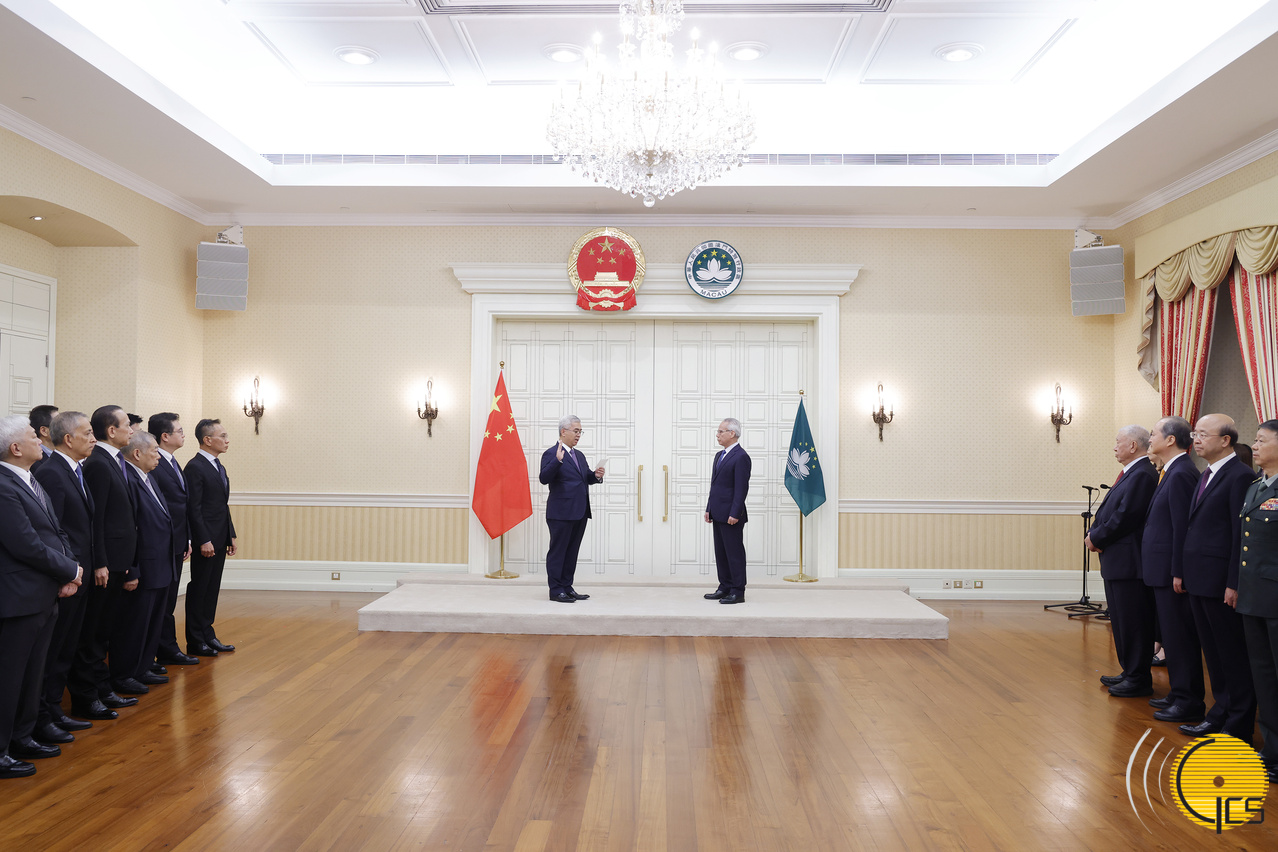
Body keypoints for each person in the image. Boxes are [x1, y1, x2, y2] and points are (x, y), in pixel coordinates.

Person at [0, 415, 81, 778]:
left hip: (44, 592)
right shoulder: (3, 485)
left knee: (33, 673)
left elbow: (56, 531)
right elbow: (25, 544)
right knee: (10, 676)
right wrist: (70, 570)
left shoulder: (30, 479)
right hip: (19, 597)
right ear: (16, 448)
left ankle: (23, 736)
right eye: (34, 436)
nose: (41, 441)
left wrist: (69, 569)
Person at [1177, 413, 1257, 739]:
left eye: (1203, 434)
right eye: (1194, 433)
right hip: (1200, 578)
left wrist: (1233, 582)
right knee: (1213, 654)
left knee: (1231, 655)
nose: (1195, 439)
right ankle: (1219, 714)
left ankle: (1238, 724)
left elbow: (1240, 535)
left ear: (1225, 440)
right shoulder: (1206, 473)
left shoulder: (1240, 476)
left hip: (1220, 581)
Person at [69, 405, 139, 720]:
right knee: (93, 634)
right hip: (105, 565)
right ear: (112, 431)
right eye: (127, 425)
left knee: (104, 631)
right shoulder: (98, 464)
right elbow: (95, 520)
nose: (131, 430)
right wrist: (100, 562)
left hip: (117, 562)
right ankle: (87, 696)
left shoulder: (114, 461)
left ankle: (102, 687)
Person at [32, 411, 97, 744]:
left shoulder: (75, 469)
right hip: (66, 577)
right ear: (68, 439)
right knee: (53, 651)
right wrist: (66, 572)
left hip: (79, 574)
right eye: (87, 433)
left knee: (66, 649)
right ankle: (42, 716)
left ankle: (55, 709)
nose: (94, 438)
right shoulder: (52, 472)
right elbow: (51, 532)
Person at [1142, 416, 1207, 725]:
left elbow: (1183, 528)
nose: (1150, 438)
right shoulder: (1171, 470)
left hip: (1172, 573)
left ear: (1170, 440)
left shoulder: (1181, 473)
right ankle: (1178, 693)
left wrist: (1178, 570)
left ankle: (1188, 700)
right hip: (1162, 570)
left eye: (1154, 433)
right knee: (1171, 635)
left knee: (1180, 638)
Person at [1086, 426, 1157, 696]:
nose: (1115, 447)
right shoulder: (1132, 473)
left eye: (1118, 442)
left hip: (1130, 563)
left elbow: (1126, 516)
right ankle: (1129, 671)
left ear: (1133, 446)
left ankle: (1138, 677)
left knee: (1133, 622)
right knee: (1121, 621)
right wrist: (1094, 533)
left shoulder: (1143, 474)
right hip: (1118, 560)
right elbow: (1110, 511)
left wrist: (1097, 537)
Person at [111, 432, 174, 696]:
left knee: (152, 622)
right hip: (144, 566)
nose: (159, 456)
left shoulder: (148, 477)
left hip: (160, 564)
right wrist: (133, 569)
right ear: (137, 454)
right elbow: (131, 529)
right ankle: (125, 673)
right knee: (134, 624)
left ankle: (143, 666)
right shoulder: (128, 479)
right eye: (155, 451)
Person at [1236, 420, 1278, 783]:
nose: (1255, 445)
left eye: (1262, 440)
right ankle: (1273, 750)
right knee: (1263, 676)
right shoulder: (1255, 487)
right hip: (1254, 596)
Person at [147, 413, 197, 668]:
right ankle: (160, 650)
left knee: (169, 600)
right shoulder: (155, 464)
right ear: (165, 436)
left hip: (177, 541)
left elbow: (182, 506)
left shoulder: (174, 462)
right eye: (179, 430)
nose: (184, 434)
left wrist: (186, 537)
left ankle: (166, 648)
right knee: (161, 602)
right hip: (162, 544)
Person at [185, 419, 237, 655]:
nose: (227, 440)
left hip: (219, 536)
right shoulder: (195, 467)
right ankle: (196, 639)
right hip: (205, 540)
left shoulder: (219, 466)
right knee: (200, 588)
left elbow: (222, 505)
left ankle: (208, 634)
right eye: (222, 436)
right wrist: (203, 539)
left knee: (212, 588)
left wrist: (230, 534)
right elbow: (193, 508)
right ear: (207, 440)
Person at [538, 415, 603, 604]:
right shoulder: (552, 453)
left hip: (580, 511)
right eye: (576, 431)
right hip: (560, 513)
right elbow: (544, 478)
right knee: (558, 552)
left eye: (580, 431)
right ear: (563, 431)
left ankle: (567, 587)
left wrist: (596, 476)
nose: (578, 435)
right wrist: (557, 461)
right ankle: (556, 590)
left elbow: (585, 478)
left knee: (571, 552)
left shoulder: (579, 455)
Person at [704, 418, 752, 604]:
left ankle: (737, 591)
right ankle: (724, 586)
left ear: (732, 433)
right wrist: (709, 508)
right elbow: (715, 486)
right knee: (721, 553)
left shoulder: (741, 457)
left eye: (720, 431)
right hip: (717, 512)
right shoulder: (719, 455)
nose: (717, 435)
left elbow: (741, 489)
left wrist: (735, 512)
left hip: (732, 515)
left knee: (734, 553)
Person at [28, 404, 58, 474]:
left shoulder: (63, 454)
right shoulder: (33, 461)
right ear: (44, 431)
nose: (64, 428)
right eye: (59, 424)